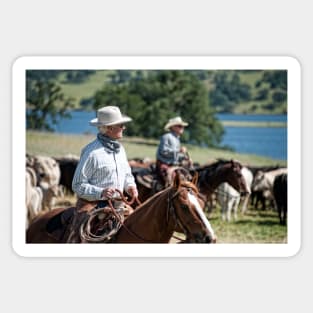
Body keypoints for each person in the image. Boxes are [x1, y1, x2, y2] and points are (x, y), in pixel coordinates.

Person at [66, 106, 138, 242]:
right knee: (82, 239)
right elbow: (77, 185)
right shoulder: (91, 153)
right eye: (121, 125)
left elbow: (127, 175)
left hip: (118, 205)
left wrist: (130, 186)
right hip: (94, 207)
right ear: (110, 128)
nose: (124, 128)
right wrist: (101, 192)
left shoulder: (120, 150)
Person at [156, 116, 191, 187]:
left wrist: (185, 158)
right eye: (180, 126)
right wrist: (179, 150)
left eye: (182, 126)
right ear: (173, 127)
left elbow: (174, 156)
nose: (182, 128)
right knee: (172, 182)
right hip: (165, 164)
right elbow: (164, 151)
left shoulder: (177, 138)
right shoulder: (166, 137)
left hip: (173, 165)